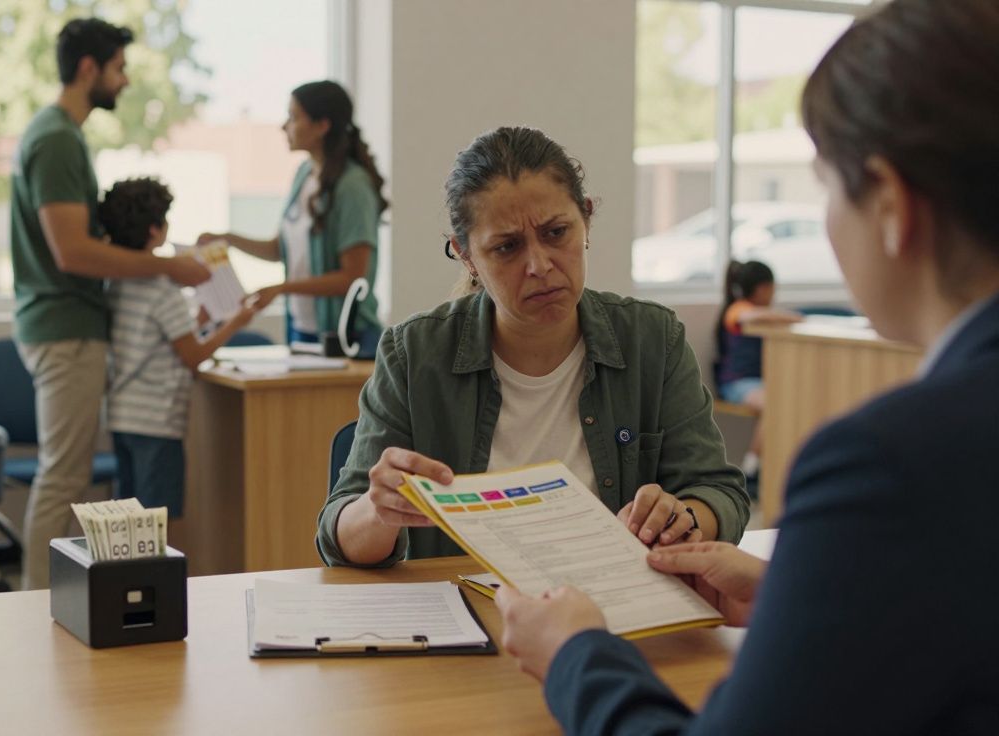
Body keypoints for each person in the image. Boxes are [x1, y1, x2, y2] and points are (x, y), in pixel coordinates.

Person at [495, 1, 999, 733]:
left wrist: (576, 653)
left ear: (890, 204)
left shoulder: (888, 463)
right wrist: (800, 592)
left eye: (826, 186)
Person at [316, 126, 749, 569]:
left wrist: (685, 518)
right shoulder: (414, 354)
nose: (539, 265)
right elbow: (340, 535)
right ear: (466, 256)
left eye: (557, 232)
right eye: (506, 247)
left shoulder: (652, 339)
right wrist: (378, 511)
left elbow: (720, 493)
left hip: (616, 608)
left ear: (586, 220)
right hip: (468, 618)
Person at [10, 18, 210, 590]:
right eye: (119, 68)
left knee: (67, 473)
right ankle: (32, 604)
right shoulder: (55, 139)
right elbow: (73, 251)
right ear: (89, 68)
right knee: (64, 476)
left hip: (64, 325)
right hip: (63, 328)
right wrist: (171, 267)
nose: (124, 82)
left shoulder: (61, 136)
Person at [98, 177, 259, 518]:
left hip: (123, 415)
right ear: (155, 231)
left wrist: (200, 322)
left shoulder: (117, 282)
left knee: (126, 521)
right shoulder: (164, 289)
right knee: (154, 522)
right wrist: (235, 322)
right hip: (156, 422)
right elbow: (192, 357)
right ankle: (149, 575)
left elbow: (155, 342)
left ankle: (127, 574)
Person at [199, 80, 386, 355]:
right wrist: (226, 239)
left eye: (294, 117)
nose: (284, 126)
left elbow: (352, 277)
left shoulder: (352, 186)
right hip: (302, 329)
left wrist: (283, 288)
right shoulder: (303, 176)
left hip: (345, 337)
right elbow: (279, 250)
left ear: (322, 125)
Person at [715, 260, 801, 478]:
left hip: (758, 383)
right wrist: (788, 317)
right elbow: (749, 316)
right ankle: (750, 467)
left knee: (790, 399)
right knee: (775, 404)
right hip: (737, 383)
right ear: (763, 288)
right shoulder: (738, 308)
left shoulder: (757, 310)